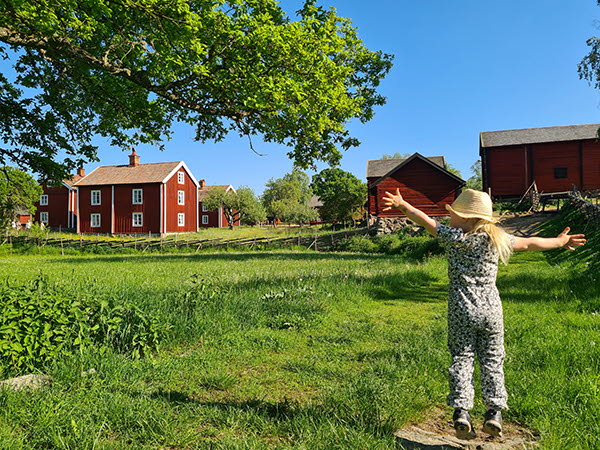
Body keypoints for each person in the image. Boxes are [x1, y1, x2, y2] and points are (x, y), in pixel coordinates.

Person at [382, 188, 586, 440]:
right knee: (492, 359)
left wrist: (403, 205)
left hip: (461, 308)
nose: (450, 218)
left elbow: (425, 220)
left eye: (454, 214)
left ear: (466, 218)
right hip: (491, 309)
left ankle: (462, 412)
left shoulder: (453, 237)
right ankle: (493, 413)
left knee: (462, 357)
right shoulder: (497, 239)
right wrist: (559, 241)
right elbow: (531, 243)